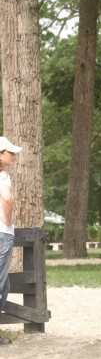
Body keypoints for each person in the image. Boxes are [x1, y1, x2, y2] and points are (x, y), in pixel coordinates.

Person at [0, 136, 22, 345]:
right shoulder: (3, 176)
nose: (13, 156)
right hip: (1, 234)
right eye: (9, 152)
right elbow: (7, 199)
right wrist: (7, 219)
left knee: (4, 286)